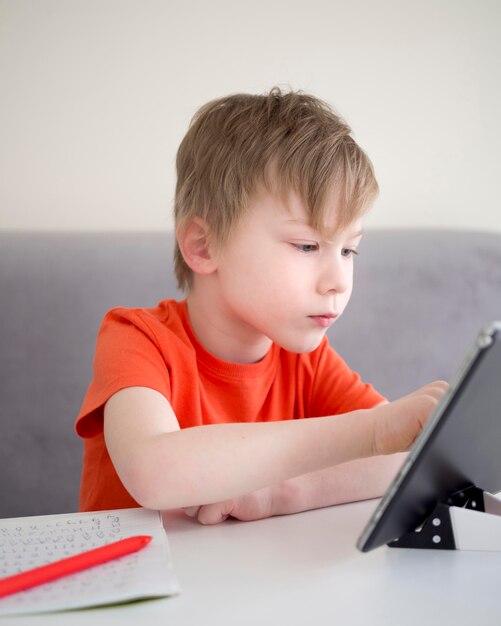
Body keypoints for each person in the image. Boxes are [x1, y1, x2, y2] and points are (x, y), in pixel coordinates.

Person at [75, 88, 446, 524]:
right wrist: (374, 432)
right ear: (203, 245)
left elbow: (405, 461)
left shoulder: (305, 361)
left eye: (349, 251)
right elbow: (155, 472)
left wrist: (279, 494)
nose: (338, 281)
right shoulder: (137, 338)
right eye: (307, 245)